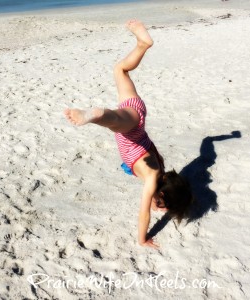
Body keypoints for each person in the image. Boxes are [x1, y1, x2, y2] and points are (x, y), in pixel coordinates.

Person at [65, 20, 193, 249]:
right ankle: (94, 115)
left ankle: (143, 45)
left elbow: (150, 153)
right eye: (163, 207)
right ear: (161, 195)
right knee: (114, 120)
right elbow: (144, 213)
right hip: (131, 129)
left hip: (137, 116)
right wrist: (142, 239)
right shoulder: (153, 179)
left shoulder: (160, 171)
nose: (160, 211)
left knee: (119, 69)